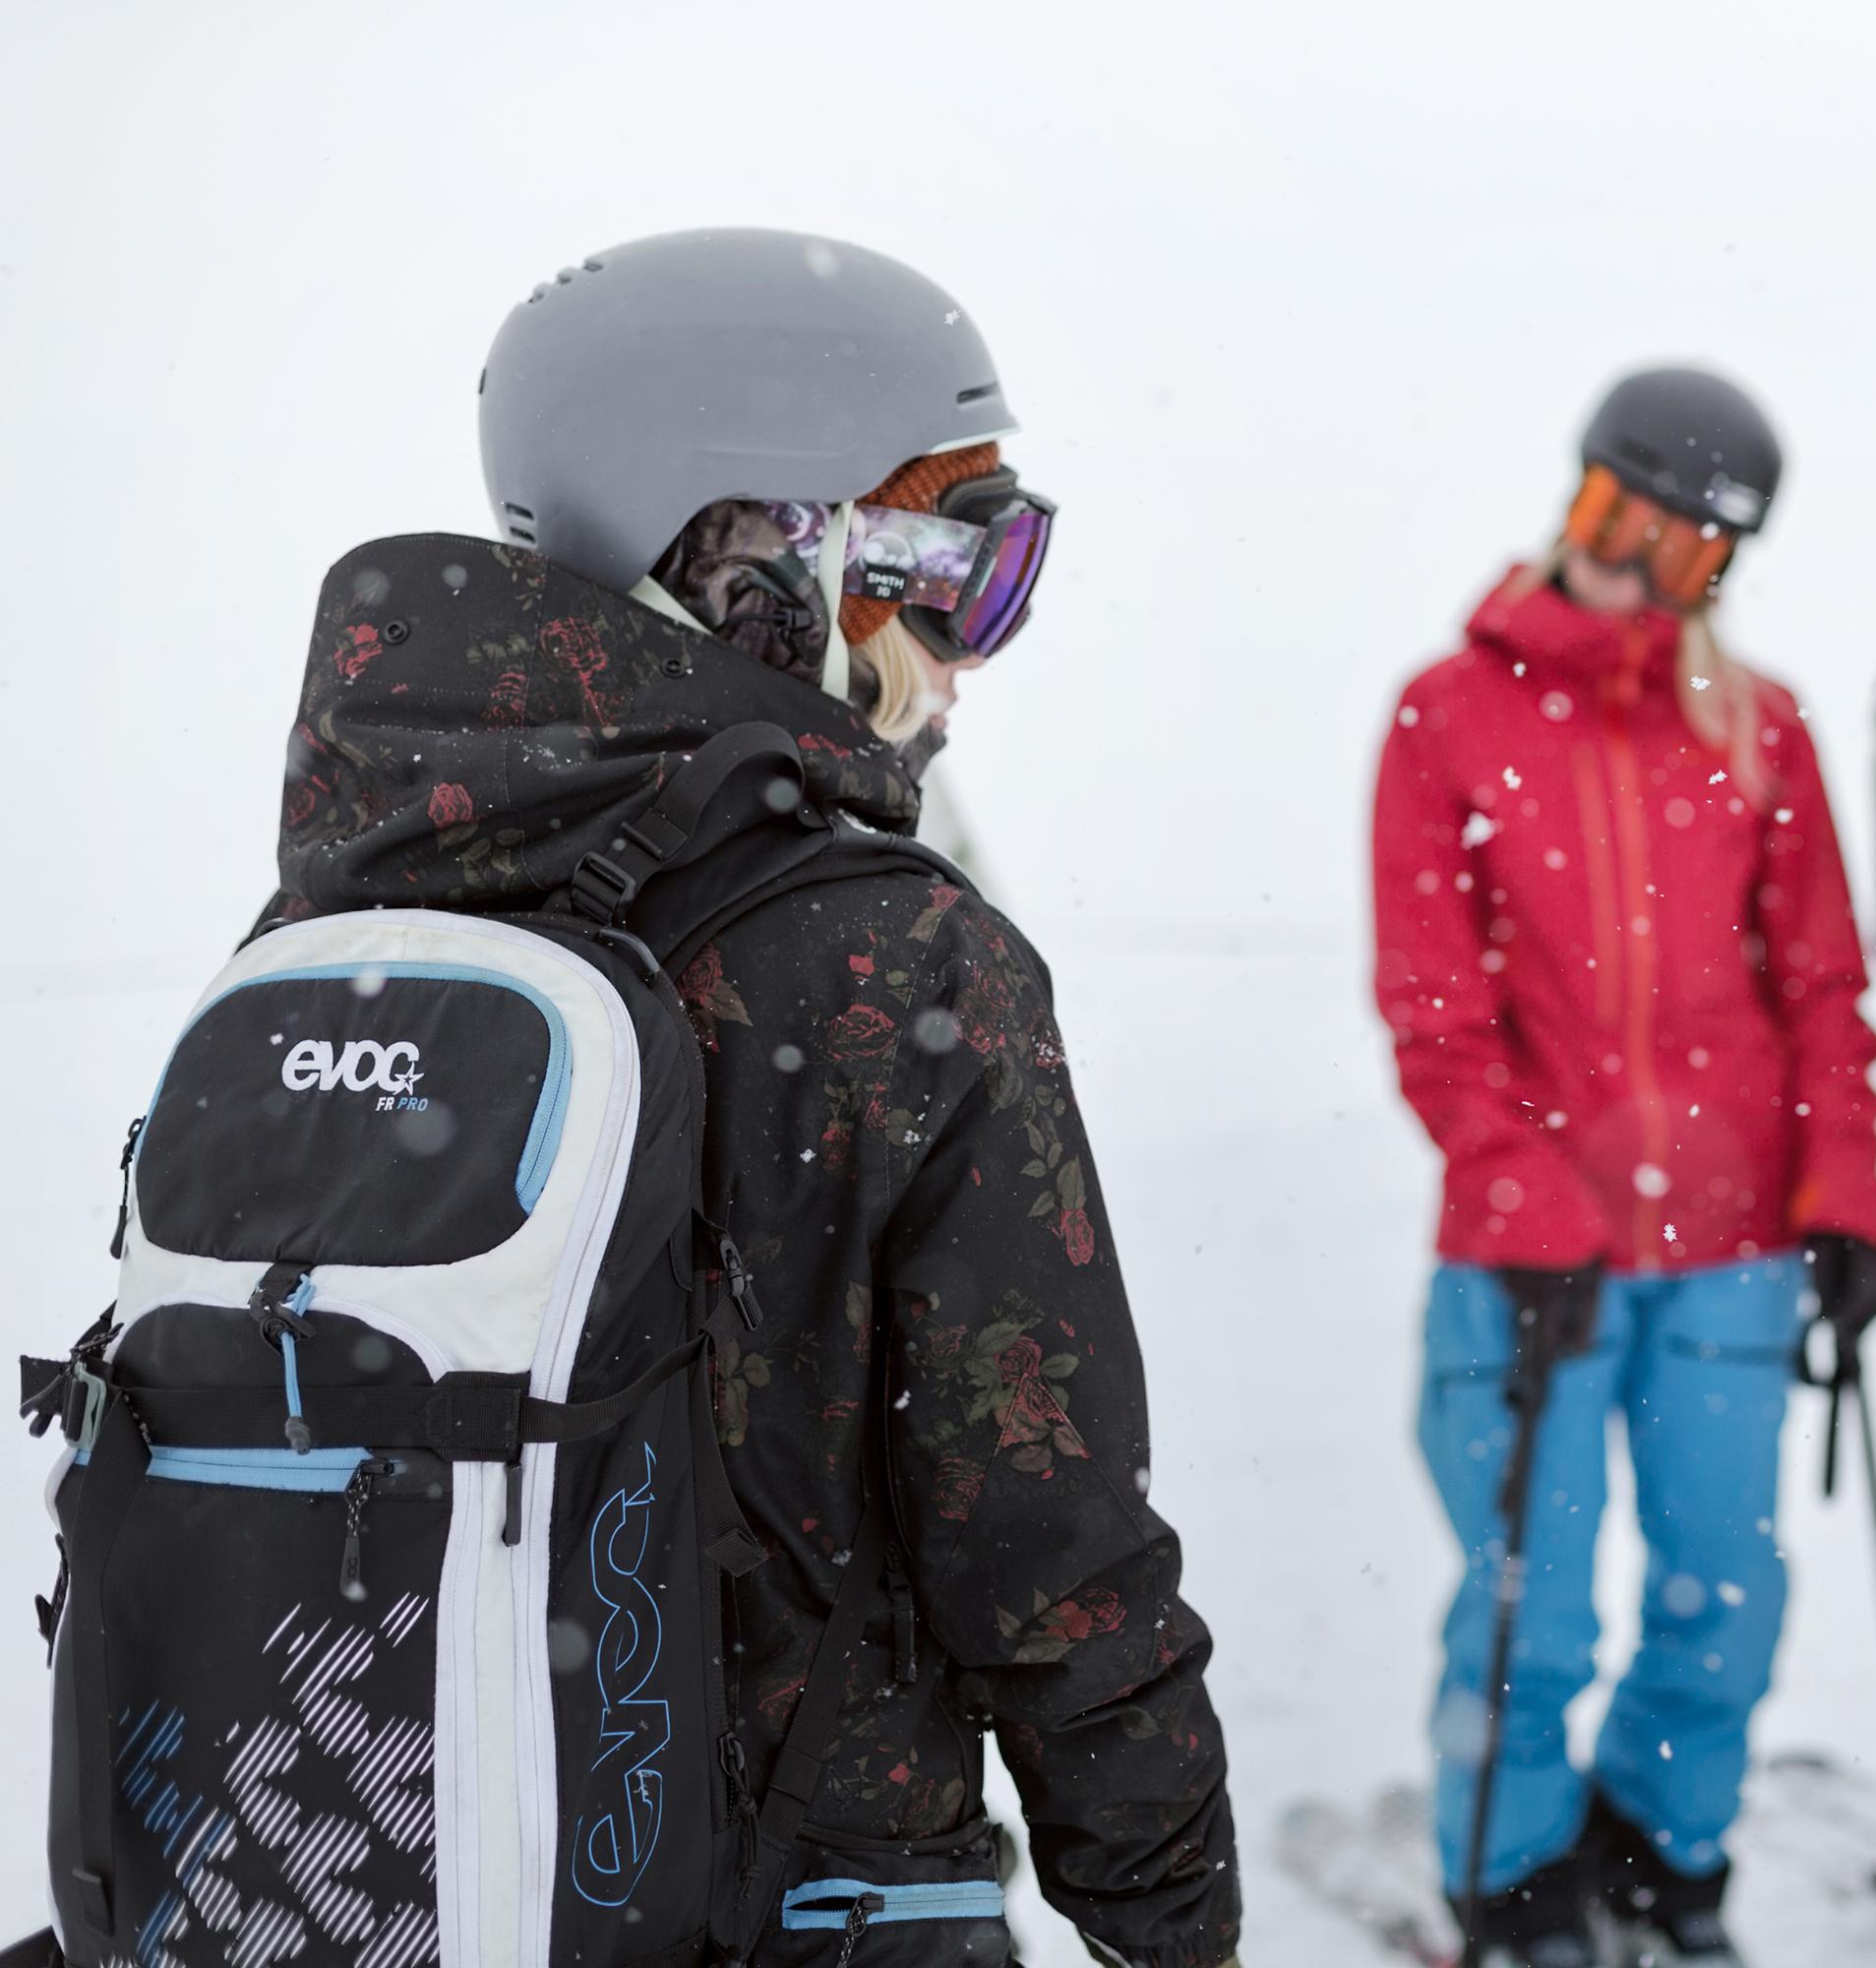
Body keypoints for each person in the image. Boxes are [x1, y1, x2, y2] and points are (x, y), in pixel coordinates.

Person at [273, 228, 1241, 1967]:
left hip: (378, 1869)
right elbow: (1048, 1547)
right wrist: (1167, 1909)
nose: (970, 640)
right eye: (952, 562)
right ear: (750, 571)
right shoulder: (899, 961)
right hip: (803, 1897)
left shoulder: (338, 919)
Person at [1370, 367, 1876, 1968]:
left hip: (1730, 1252)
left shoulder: (1761, 728)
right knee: (1534, 1609)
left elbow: (1822, 991)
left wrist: (1846, 1195)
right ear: (1573, 494)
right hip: (1527, 1265)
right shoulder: (1448, 716)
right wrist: (1529, 1199)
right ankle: (1516, 1871)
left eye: (1684, 554)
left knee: (1722, 1600)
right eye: (1618, 520)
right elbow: (1435, 1009)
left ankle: (1670, 1849)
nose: (1632, 569)